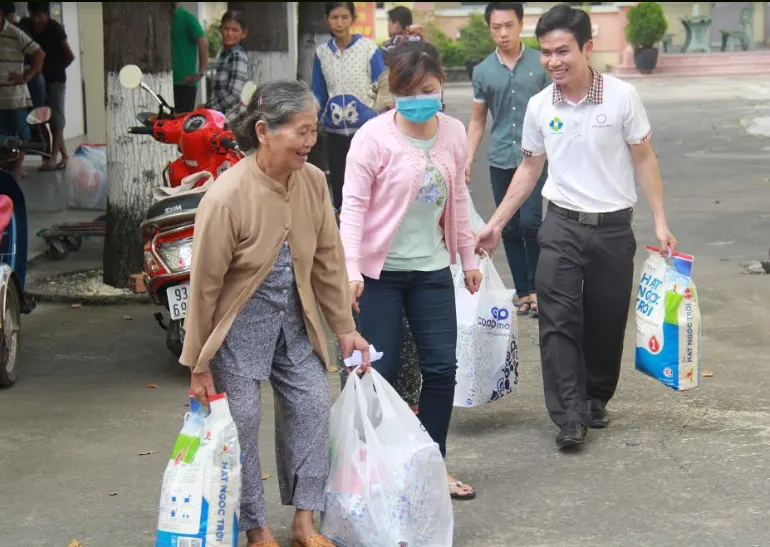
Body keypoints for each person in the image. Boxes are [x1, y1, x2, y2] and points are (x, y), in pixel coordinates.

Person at [475, 5, 677, 450]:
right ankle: (568, 415)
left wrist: (660, 221)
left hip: (612, 229)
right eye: (546, 53)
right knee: (558, 321)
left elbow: (644, 158)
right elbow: (529, 168)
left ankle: (594, 396)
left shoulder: (622, 97)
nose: (553, 62)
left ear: (587, 48)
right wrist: (495, 223)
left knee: (606, 320)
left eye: (562, 51)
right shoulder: (540, 105)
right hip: (561, 225)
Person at [181, 79, 371, 547]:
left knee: (311, 408)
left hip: (296, 320)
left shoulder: (312, 182)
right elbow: (204, 287)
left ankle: (305, 522)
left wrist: (344, 328)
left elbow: (328, 260)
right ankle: (256, 528)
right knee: (240, 425)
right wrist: (198, 364)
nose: (311, 141)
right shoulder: (227, 197)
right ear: (264, 131)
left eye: (314, 130)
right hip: (238, 329)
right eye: (301, 131)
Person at [340, 41, 482, 501]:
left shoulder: (455, 133)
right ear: (393, 91)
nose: (420, 97)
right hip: (379, 274)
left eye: (428, 88)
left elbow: (457, 200)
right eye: (408, 90)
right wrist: (350, 270)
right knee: (374, 373)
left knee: (441, 370)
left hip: (433, 270)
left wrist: (469, 258)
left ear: (442, 86)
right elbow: (353, 208)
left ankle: (431, 463)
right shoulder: (373, 137)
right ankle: (374, 467)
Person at [467, 2, 550, 318]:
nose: (503, 33)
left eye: (509, 26)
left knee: (531, 223)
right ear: (489, 28)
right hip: (501, 157)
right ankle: (524, 291)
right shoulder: (483, 71)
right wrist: (467, 157)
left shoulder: (540, 63)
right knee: (509, 228)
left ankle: (540, 288)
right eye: (496, 27)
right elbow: (477, 120)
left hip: (536, 157)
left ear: (521, 25)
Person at [311, 2, 385, 215]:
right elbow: (318, 92)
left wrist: (381, 118)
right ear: (327, 19)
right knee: (340, 186)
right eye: (334, 17)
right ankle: (344, 237)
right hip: (334, 133)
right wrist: (308, 118)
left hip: (366, 132)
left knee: (368, 182)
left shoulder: (368, 48)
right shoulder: (321, 53)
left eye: (344, 17)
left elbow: (382, 86)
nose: (339, 22)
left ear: (353, 18)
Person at [26, 2, 74, 171]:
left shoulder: (55, 28)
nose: (36, 19)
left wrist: (57, 68)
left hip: (55, 80)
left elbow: (70, 56)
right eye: (33, 15)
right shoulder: (27, 26)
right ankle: (64, 156)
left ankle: (53, 158)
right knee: (43, 117)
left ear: (47, 15)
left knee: (56, 119)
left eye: (40, 16)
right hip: (38, 79)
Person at [0, 2, 44, 179]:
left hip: (15, 96)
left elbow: (39, 53)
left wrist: (27, 75)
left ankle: (18, 166)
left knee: (19, 132)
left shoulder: (14, 33)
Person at [205, 10, 248, 116]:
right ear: (220, 29)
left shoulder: (237, 55)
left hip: (231, 118)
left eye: (235, 30)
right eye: (226, 28)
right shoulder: (225, 54)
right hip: (221, 116)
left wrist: (208, 107)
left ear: (243, 34)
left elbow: (233, 94)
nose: (229, 33)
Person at [171, 2, 209, 112]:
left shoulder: (187, 17)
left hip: (184, 82)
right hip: (167, 80)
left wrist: (201, 72)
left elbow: (203, 42)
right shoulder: (162, 18)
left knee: (182, 123)